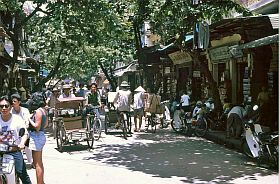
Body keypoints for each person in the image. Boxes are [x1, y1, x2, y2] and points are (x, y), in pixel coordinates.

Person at [0, 95, 32, 184]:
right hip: (0, 151)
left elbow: (25, 133)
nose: (4, 108)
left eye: (6, 106)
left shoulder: (17, 119)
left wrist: (22, 143)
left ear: (10, 107)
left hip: (14, 150)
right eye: (1, 106)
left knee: (22, 173)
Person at [28, 92, 48, 184]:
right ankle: (41, 182)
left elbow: (37, 127)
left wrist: (29, 119)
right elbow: (46, 124)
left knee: (37, 164)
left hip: (37, 136)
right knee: (39, 162)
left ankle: (39, 182)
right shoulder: (44, 110)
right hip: (41, 135)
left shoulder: (38, 111)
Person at [10, 93, 34, 167]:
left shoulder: (25, 110)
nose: (13, 103)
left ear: (19, 102)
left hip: (24, 130)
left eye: (15, 101)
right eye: (12, 102)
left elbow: (27, 122)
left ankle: (31, 162)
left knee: (27, 146)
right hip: (14, 132)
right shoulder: (10, 111)